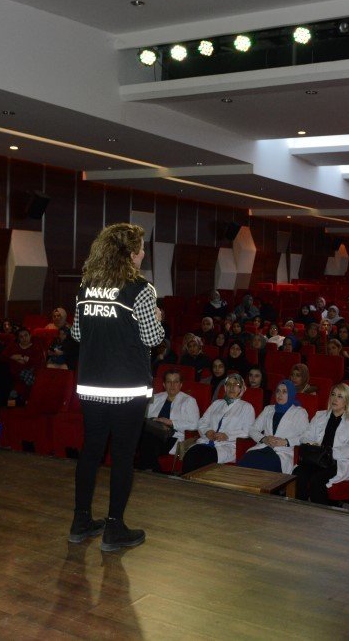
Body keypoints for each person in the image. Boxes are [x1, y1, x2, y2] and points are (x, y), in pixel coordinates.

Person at [69, 222, 164, 551]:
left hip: (91, 386)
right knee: (122, 456)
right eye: (141, 248)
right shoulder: (141, 289)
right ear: (130, 253)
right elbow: (152, 338)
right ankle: (114, 528)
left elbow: (77, 334)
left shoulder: (87, 286)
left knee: (91, 451)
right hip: (126, 388)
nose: (143, 254)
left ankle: (80, 521)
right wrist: (158, 319)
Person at [294, 383, 349, 504]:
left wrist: (330, 452)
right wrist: (313, 444)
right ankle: (300, 508)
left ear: (347, 401)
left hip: (336, 462)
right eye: (333, 394)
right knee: (298, 473)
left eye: (340, 396)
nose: (334, 399)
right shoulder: (320, 415)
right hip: (316, 458)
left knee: (317, 480)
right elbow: (305, 436)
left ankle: (320, 513)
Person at [181, 374, 256, 474]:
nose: (231, 387)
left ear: (241, 388)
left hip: (227, 445)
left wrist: (227, 436)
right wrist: (207, 431)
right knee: (190, 454)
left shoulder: (247, 407)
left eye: (236, 384)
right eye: (228, 384)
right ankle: (185, 481)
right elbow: (202, 421)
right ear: (225, 387)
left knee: (206, 458)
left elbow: (247, 431)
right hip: (206, 441)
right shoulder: (217, 403)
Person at [135, 368, 200, 472]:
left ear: (181, 385)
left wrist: (171, 422)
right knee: (146, 434)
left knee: (147, 439)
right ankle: (152, 470)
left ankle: (144, 469)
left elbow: (195, 424)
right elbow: (145, 417)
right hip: (153, 432)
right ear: (164, 385)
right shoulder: (156, 397)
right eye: (169, 382)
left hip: (172, 436)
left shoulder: (189, 401)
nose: (172, 385)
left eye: (176, 382)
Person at [238, 380, 310, 473]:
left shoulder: (299, 412)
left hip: (281, 453)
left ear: (291, 393)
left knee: (263, 467)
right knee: (245, 462)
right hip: (262, 447)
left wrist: (286, 442)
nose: (280, 394)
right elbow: (252, 429)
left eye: (284, 392)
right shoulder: (268, 409)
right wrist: (263, 439)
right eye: (278, 391)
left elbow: (306, 436)